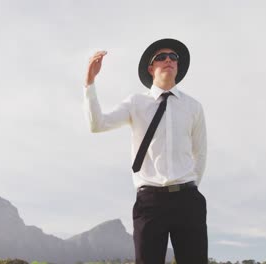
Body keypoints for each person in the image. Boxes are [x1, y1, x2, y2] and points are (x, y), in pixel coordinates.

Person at [82, 38, 208, 264]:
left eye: (173, 57)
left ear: (178, 66)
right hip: (150, 201)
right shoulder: (136, 103)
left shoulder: (193, 107)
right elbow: (97, 124)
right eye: (161, 57)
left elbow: (201, 153)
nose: (168, 60)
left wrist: (190, 187)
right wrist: (90, 83)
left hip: (188, 200)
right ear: (151, 68)